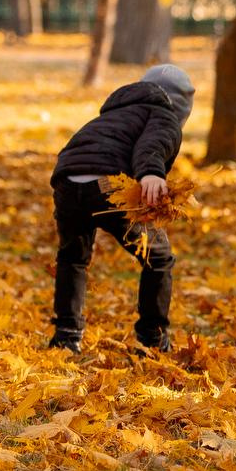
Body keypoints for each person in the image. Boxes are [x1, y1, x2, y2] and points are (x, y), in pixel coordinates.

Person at [49, 63, 193, 353]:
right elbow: (152, 145)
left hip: (66, 180)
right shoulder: (162, 114)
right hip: (107, 185)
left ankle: (66, 335)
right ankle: (152, 337)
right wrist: (151, 173)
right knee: (158, 257)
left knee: (73, 257)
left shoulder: (114, 113)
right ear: (181, 104)